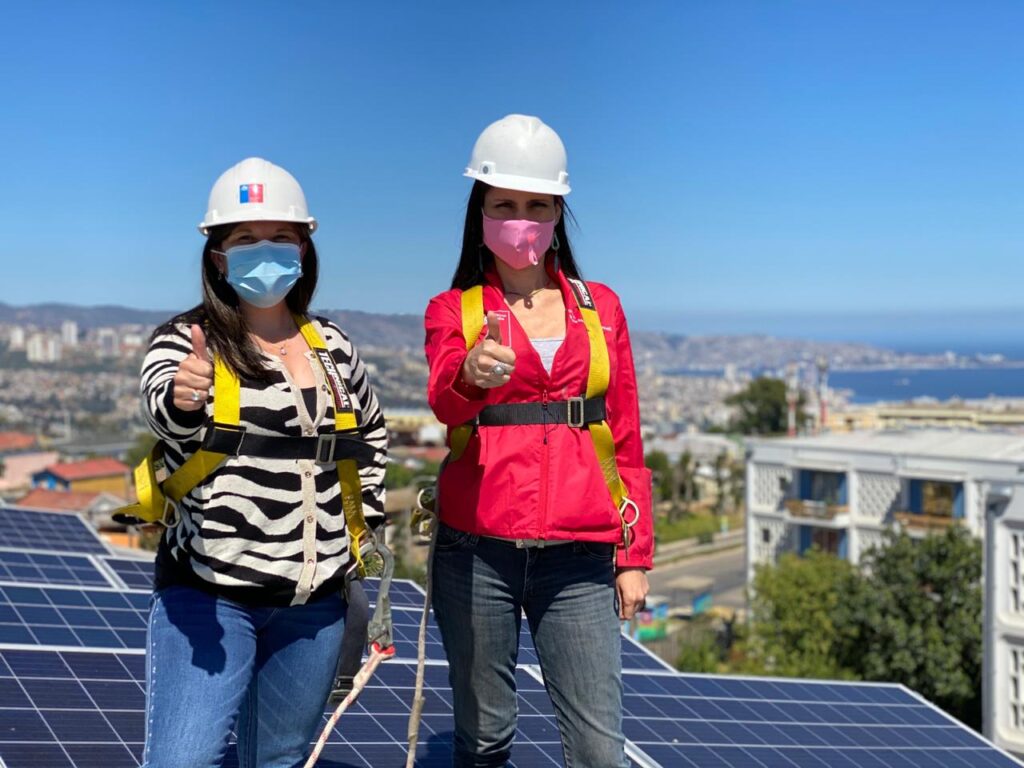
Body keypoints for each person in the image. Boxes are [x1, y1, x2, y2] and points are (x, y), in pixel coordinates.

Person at [138, 157, 387, 768]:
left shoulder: (333, 346)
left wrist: (363, 528)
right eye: (246, 239)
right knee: (183, 761)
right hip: (211, 598)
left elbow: (370, 436)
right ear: (218, 258)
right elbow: (165, 412)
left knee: (275, 760)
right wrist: (184, 396)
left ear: (303, 248)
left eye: (280, 236)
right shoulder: (185, 341)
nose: (265, 250)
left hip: (316, 606)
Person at [423, 115, 654, 768]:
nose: (521, 220)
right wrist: (470, 374)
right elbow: (444, 401)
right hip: (476, 550)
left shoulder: (601, 307)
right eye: (505, 205)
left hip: (580, 554)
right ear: (481, 213)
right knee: (484, 740)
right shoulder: (454, 309)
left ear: (558, 214)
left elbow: (626, 436)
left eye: (537, 206)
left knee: (598, 750)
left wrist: (634, 556)